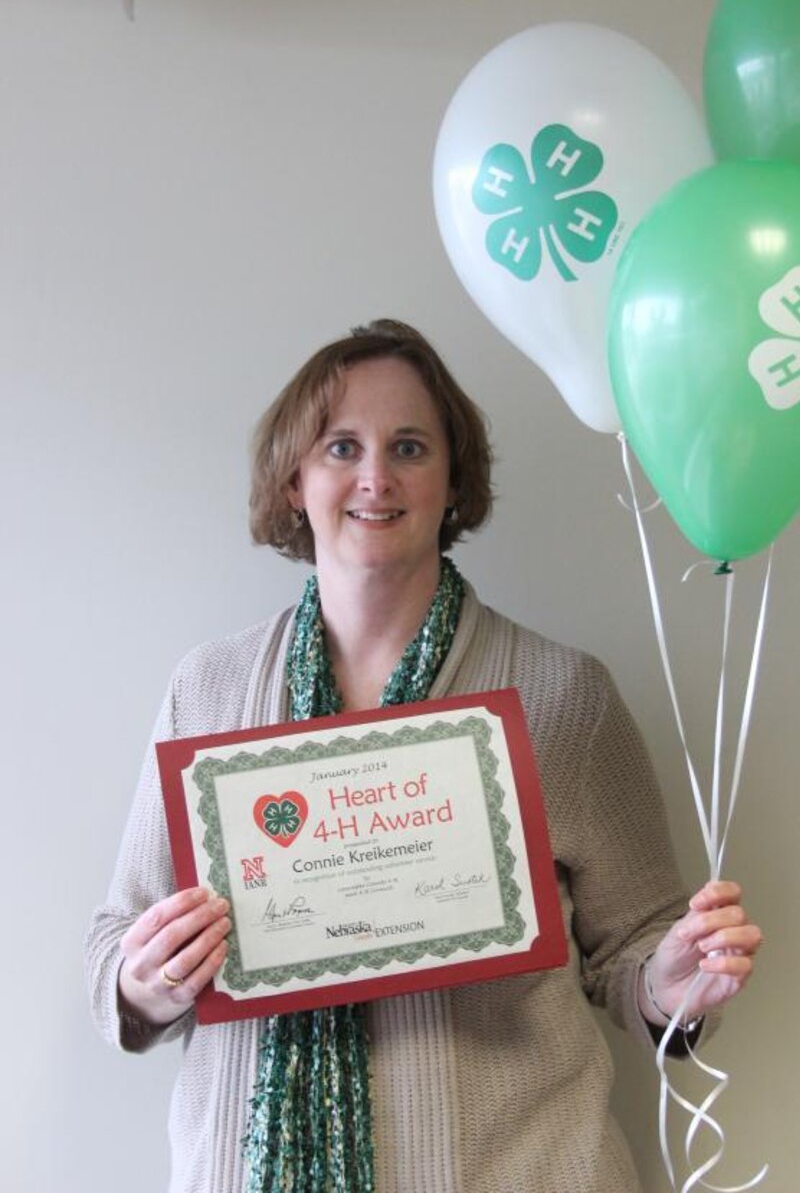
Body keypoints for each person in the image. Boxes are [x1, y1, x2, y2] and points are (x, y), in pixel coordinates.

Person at [86, 318, 762, 1193]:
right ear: (296, 480)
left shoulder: (563, 693)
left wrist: (673, 980)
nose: (376, 477)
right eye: (341, 446)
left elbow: (635, 950)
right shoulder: (207, 689)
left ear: (453, 483)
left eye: (409, 446)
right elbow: (114, 946)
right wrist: (147, 978)